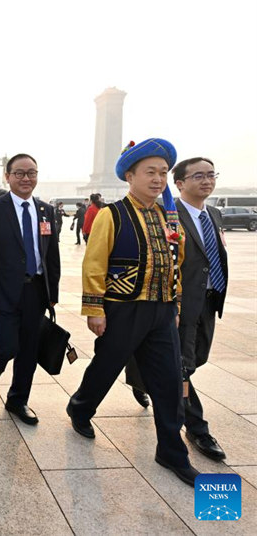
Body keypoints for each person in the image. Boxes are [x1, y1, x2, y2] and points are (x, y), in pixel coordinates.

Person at [66, 138, 199, 487]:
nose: (158, 179)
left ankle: (171, 450)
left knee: (170, 381)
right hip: (123, 309)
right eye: (150, 172)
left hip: (161, 311)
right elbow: (94, 263)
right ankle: (80, 407)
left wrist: (175, 305)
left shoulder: (169, 215)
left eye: (163, 173)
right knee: (106, 367)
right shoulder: (113, 214)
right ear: (130, 175)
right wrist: (95, 309)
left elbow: (176, 263)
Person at [127, 157, 228, 461]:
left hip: (208, 301)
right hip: (178, 304)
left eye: (211, 175)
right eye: (199, 176)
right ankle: (197, 428)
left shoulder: (214, 213)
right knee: (180, 367)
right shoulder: (167, 214)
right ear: (180, 183)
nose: (207, 181)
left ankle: (139, 373)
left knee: (195, 359)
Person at [0, 154, 60, 425]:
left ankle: (18, 400)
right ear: (7, 176)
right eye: (20, 173)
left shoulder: (46, 210)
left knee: (29, 350)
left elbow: (52, 256)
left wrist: (52, 295)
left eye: (32, 173)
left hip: (35, 291)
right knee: (6, 346)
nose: (26, 178)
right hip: (3, 290)